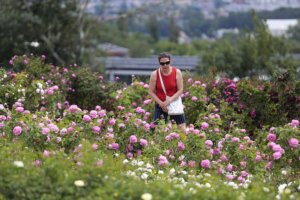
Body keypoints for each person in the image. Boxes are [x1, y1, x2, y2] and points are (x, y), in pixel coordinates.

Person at [148, 53, 186, 133]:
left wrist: (169, 101)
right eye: (162, 63)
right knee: (158, 130)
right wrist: (161, 104)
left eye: (167, 63)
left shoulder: (177, 72)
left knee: (182, 129)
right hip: (160, 105)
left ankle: (182, 145)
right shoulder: (155, 74)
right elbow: (151, 92)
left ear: (170, 61)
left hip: (174, 104)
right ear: (159, 63)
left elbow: (180, 90)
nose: (165, 65)